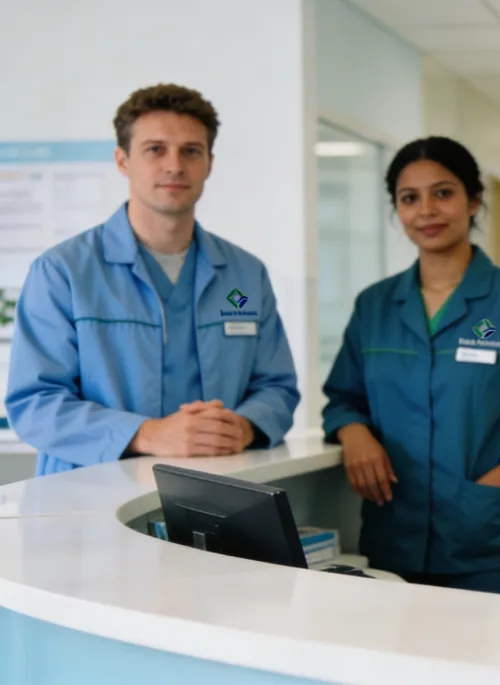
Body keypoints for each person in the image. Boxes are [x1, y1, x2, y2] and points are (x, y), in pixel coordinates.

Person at [321, 136, 500, 594]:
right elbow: (343, 398)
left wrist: (494, 486)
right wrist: (353, 432)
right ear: (396, 210)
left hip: (487, 539)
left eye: (443, 192)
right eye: (409, 198)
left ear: (474, 200)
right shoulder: (375, 306)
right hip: (392, 535)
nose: (426, 210)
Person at [5, 84, 300, 476]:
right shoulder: (63, 272)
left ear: (210, 163)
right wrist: (146, 434)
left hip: (218, 492)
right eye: (155, 149)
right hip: (93, 500)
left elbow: (277, 386)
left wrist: (243, 428)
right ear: (123, 160)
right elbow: (35, 402)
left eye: (191, 151)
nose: (174, 165)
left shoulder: (245, 274)